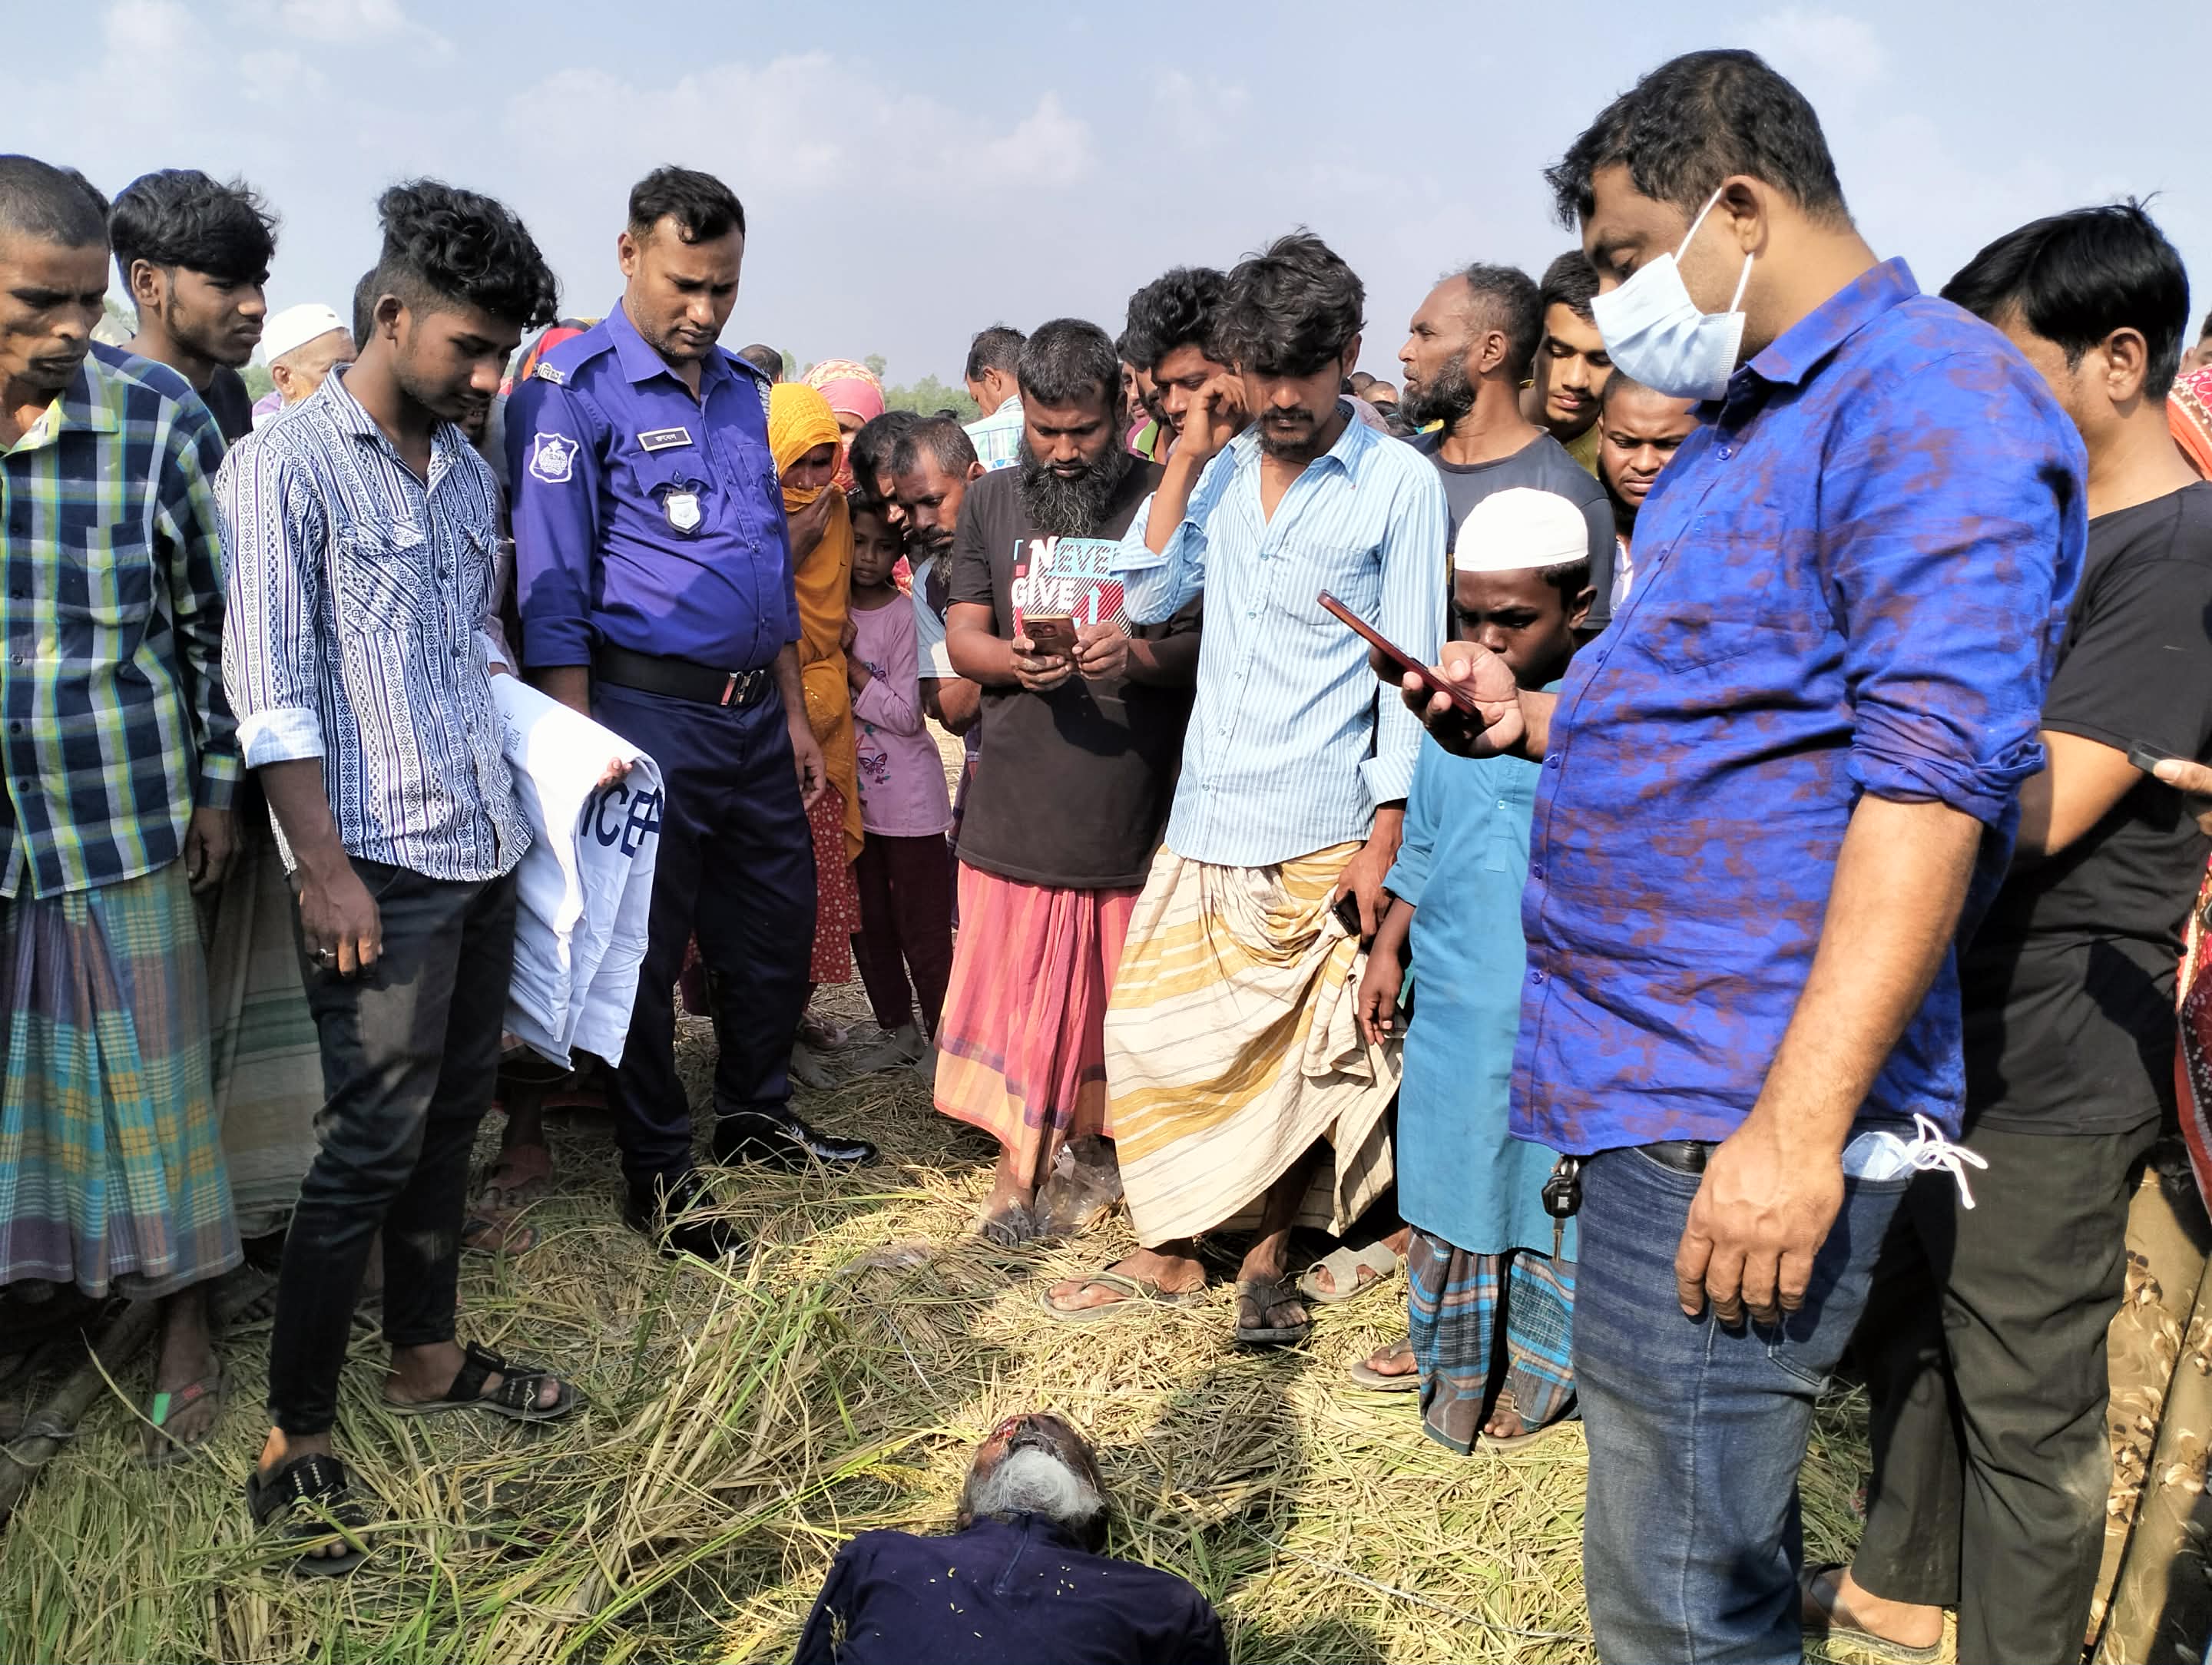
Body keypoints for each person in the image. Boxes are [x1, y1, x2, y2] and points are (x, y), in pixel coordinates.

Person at [1401, 51, 2084, 1663]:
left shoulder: (1934, 406)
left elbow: (1931, 790)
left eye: (1632, 256)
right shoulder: (1753, 421)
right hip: (1667, 1079)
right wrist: (1530, 722)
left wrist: (1792, 1131)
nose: (1620, 298)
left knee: (1688, 1598)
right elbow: (1735, 717)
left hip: (1743, 1102)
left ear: (1741, 207)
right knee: (1681, 1548)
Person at [1804, 202, 2212, 1665]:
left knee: (2026, 1393)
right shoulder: (2044, 526)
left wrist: (1842, 752)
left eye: (2008, 364)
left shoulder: (2181, 554)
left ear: (2120, 360)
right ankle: (1903, 1585)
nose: (1983, 399)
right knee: (1923, 1319)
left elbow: (2044, 805)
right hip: (1955, 1008)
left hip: (2054, 1043)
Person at [220, 178, 579, 1573]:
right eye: (470, 350)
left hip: (480, 838)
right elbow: (270, 689)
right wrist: (324, 869)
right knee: (367, 1140)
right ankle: (295, 1427)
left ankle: (427, 1352)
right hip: (372, 860)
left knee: (454, 1115)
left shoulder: (470, 467)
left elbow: (464, 656)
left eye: (503, 355)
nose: (490, 378)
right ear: (390, 314)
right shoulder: (285, 467)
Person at [1046, 233, 1448, 1344]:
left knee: (1302, 1072)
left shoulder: (1398, 487)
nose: (1279, 399)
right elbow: (1144, 595)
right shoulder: (1225, 473)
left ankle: (1263, 1259)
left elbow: (1408, 680)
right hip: (1207, 815)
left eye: (1300, 378)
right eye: (1257, 375)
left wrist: (1387, 839)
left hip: (1320, 825)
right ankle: (1172, 1248)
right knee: (1158, 1042)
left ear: (1347, 354)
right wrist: (1185, 452)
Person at [508, 167, 875, 1265]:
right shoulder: (569, 394)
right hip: (639, 721)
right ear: (628, 256)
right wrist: (584, 753)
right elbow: (555, 588)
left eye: (724, 287)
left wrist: (796, 720)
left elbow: (758, 562)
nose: (706, 310)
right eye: (685, 284)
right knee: (643, 954)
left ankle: (758, 1116)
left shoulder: (741, 393)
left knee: (773, 932)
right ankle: (659, 1176)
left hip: (756, 720)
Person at [0, 154, 243, 1466]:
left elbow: (217, 629)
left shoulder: (155, 419)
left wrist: (216, 784)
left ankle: (182, 1320)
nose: (67, 335)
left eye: (86, 305)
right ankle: (40, 1302)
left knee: (155, 1092)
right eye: (37, 304)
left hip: (119, 815)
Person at [938, 319, 1201, 1243]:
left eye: (1080, 431)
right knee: (1023, 999)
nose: (1060, 451)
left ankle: (1105, 1155)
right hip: (1018, 798)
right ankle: (1016, 1176)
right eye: (1043, 429)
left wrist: (1136, 653)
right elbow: (963, 630)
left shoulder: (1167, 501)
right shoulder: (992, 500)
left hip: (1126, 802)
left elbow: (1203, 639)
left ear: (1122, 410)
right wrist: (1007, 659)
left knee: (1109, 1001)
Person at [1356, 488, 1592, 1449]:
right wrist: (1387, 944)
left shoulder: (1603, 717)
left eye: (1517, 619)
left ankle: (1535, 1378)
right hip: (1454, 993)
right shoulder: (1443, 706)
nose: (1489, 641)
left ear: (1578, 606)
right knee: (1453, 1167)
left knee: (1539, 1181)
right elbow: (1428, 839)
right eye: (1472, 617)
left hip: (1554, 1006)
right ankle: (1449, 1355)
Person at [794, 1412, 1227, 1664]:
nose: (1027, 1429)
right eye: (1003, 1436)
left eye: (1061, 1434)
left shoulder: (1162, 1602)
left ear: (1095, 1504)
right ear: (965, 1512)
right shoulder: (879, 1553)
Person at [1398, 261, 1617, 634]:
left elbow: (1580, 667)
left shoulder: (1575, 497)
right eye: (1560, 351)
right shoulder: (1395, 469)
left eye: (1426, 334)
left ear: (1491, 350)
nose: (1406, 351)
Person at [766, 383, 867, 1084]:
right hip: (760, 710)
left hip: (824, 722)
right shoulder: (746, 514)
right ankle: (759, 1046)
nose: (808, 479)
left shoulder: (842, 513)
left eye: (821, 462)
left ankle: (787, 1029)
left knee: (815, 889)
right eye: (795, 462)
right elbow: (759, 594)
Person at [846, 495, 955, 1077]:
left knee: (925, 927)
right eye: (858, 542)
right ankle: (898, 1030)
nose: (868, 557)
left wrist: (852, 667)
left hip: (908, 801)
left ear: (901, 551)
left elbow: (909, 716)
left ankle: (945, 1039)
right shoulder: (823, 607)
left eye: (884, 546)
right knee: (870, 923)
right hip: (854, 802)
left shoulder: (902, 615)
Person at [109, 169, 273, 444]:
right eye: (226, 285)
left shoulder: (230, 391)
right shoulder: (101, 396)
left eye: (258, 284)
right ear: (148, 283)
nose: (256, 307)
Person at [1591, 369, 1696, 611]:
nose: (1644, 464)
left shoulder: (1724, 545)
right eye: (1626, 443)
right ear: (1601, 436)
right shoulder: (1571, 524)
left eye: (1668, 445)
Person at [1119, 266, 1240, 455]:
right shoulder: (1183, 456)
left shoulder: (1279, 463)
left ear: (1238, 364)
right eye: (1164, 388)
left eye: (1193, 383)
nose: (1173, 406)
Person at [1525, 250, 1609, 473]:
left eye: (1600, 360)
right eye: (1559, 352)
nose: (1576, 380)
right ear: (1532, 342)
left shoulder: (1621, 465)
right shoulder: (1455, 433)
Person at [255, 301, 355, 423]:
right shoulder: (263, 436)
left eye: (356, 364)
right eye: (335, 368)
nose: (355, 377)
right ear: (285, 379)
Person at [962, 323, 1026, 469]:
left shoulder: (968, 441)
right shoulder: (1067, 431)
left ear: (992, 378)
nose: (983, 414)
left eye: (977, 399)